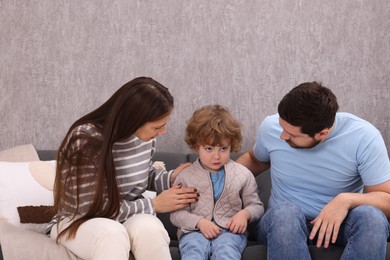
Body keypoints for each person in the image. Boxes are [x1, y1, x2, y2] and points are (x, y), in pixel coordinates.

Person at [48, 77, 199, 260]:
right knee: (112, 234)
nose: (162, 132)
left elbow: (141, 174)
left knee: (150, 229)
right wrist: (155, 204)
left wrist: (170, 179)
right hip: (79, 221)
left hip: (126, 216)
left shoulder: (145, 138)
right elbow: (92, 208)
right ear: (133, 120)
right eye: (157, 127)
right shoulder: (85, 138)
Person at [237, 81, 390, 259]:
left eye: (292, 135)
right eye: (282, 127)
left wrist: (345, 200)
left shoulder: (364, 137)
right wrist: (208, 178)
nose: (282, 136)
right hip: (282, 224)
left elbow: (386, 200)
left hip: (339, 224)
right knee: (286, 214)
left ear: (322, 134)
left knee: (372, 218)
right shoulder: (270, 127)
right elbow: (254, 161)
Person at [170, 104, 264, 260]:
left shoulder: (243, 174)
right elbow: (176, 214)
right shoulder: (186, 176)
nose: (216, 156)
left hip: (229, 232)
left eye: (223, 149)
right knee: (193, 251)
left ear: (231, 146)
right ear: (196, 146)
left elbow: (256, 206)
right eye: (209, 149)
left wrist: (244, 214)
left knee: (226, 252)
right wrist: (199, 222)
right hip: (193, 231)